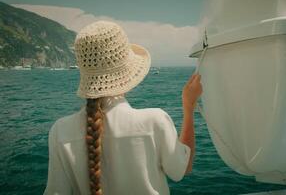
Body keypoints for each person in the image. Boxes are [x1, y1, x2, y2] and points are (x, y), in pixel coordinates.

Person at [44, 21, 202, 195]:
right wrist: (189, 107)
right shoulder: (155, 121)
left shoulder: (60, 131)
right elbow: (182, 169)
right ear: (127, 73)